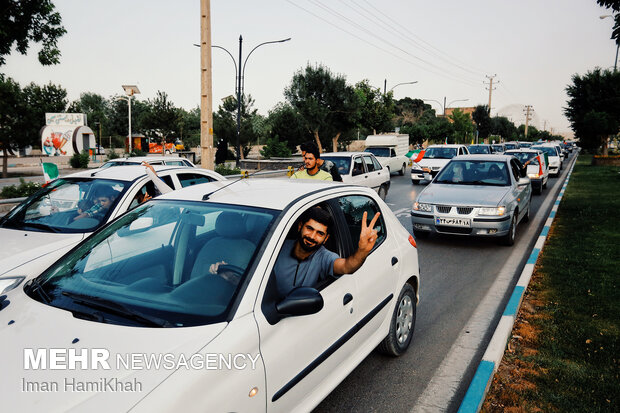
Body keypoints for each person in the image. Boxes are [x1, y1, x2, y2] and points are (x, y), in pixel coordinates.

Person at [272, 206, 380, 296]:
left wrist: (362, 251)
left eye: (320, 233)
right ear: (300, 226)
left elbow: (347, 266)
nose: (312, 236)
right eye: (309, 228)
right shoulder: (277, 248)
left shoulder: (324, 257)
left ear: (326, 238)